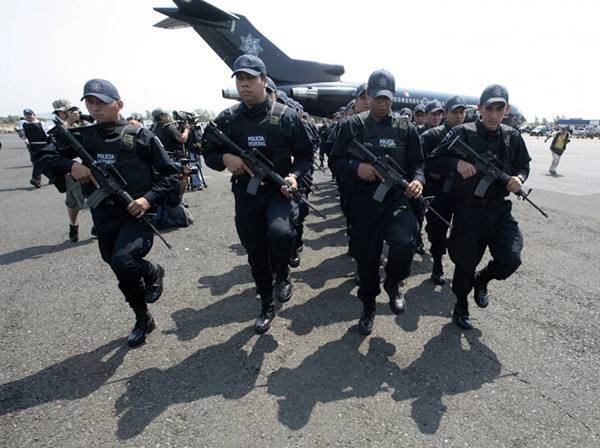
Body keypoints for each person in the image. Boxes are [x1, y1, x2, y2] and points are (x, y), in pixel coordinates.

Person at [34, 79, 179, 347]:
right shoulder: (83, 136)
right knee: (117, 266)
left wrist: (147, 200)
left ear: (119, 104)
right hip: (104, 214)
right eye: (90, 103)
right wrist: (70, 166)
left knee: (124, 260)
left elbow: (170, 175)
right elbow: (42, 155)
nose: (95, 107)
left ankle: (153, 272)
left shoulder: (140, 135)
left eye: (102, 102)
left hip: (137, 214)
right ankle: (142, 318)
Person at [203, 54, 313, 334]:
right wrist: (225, 158)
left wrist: (293, 176)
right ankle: (266, 303)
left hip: (278, 191)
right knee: (255, 251)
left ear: (263, 80)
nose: (244, 85)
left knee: (281, 234)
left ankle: (283, 274)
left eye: (250, 79)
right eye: (240, 79)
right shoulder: (228, 119)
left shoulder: (286, 116)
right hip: (247, 193)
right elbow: (209, 152)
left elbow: (305, 155)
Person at [329, 69, 425, 335]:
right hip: (364, 203)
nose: (382, 103)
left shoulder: (406, 129)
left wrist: (418, 181)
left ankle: (394, 283)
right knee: (367, 260)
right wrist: (357, 168)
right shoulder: (352, 126)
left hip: (396, 199)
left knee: (406, 242)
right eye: (377, 97)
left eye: (387, 98)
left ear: (393, 98)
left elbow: (418, 164)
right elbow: (335, 161)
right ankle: (368, 305)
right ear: (368, 96)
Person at [429, 84, 531, 330]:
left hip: (499, 209)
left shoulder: (512, 137)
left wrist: (518, 178)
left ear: (506, 110)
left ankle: (483, 279)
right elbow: (433, 159)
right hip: (468, 210)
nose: (494, 114)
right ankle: (461, 304)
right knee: (465, 264)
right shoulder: (462, 133)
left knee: (511, 258)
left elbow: (523, 166)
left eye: (499, 109)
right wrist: (456, 164)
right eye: (489, 108)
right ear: (480, 108)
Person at [420, 95, 467, 284]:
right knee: (437, 230)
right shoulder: (431, 135)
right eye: (455, 112)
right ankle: (437, 264)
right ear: (446, 113)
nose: (459, 116)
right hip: (438, 192)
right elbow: (417, 162)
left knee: (462, 230)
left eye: (462, 112)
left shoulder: (470, 134)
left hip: (462, 192)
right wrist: (431, 171)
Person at [52, 99, 88, 242]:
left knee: (97, 197)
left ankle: (98, 226)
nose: (76, 114)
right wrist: (68, 123)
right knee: (75, 202)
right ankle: (73, 225)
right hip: (71, 171)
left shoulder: (79, 125)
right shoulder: (56, 128)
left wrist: (82, 123)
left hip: (89, 167)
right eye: (60, 112)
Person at [19, 108, 50, 188]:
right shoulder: (24, 125)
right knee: (36, 163)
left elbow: (48, 134)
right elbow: (23, 136)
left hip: (43, 145)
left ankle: (36, 180)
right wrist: (22, 135)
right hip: (32, 146)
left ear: (34, 115)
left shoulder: (42, 124)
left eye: (30, 115)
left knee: (39, 163)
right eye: (26, 115)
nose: (29, 117)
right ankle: (53, 177)